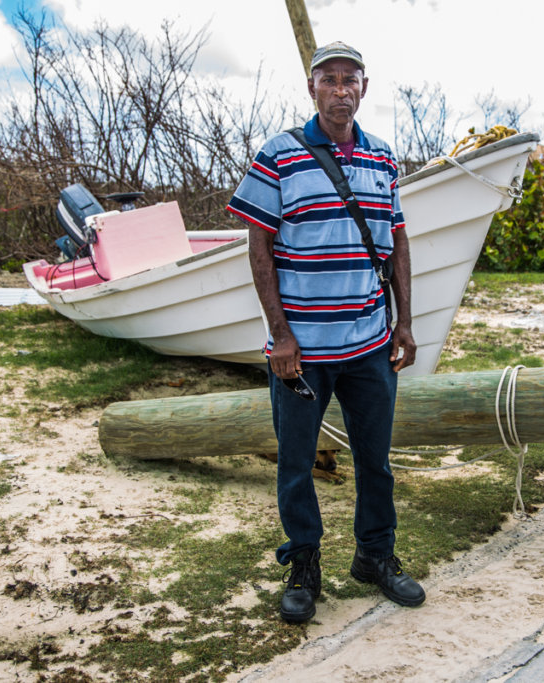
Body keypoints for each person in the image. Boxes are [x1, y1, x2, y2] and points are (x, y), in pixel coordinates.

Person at [226, 41, 425, 623]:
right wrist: (281, 334)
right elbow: (259, 247)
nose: (341, 90)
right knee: (296, 464)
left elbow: (397, 241)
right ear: (311, 87)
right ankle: (304, 564)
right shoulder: (278, 155)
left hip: (369, 345)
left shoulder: (383, 158)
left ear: (364, 87)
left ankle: (375, 556)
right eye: (329, 79)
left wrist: (404, 322)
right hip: (301, 352)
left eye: (350, 79)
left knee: (375, 461)